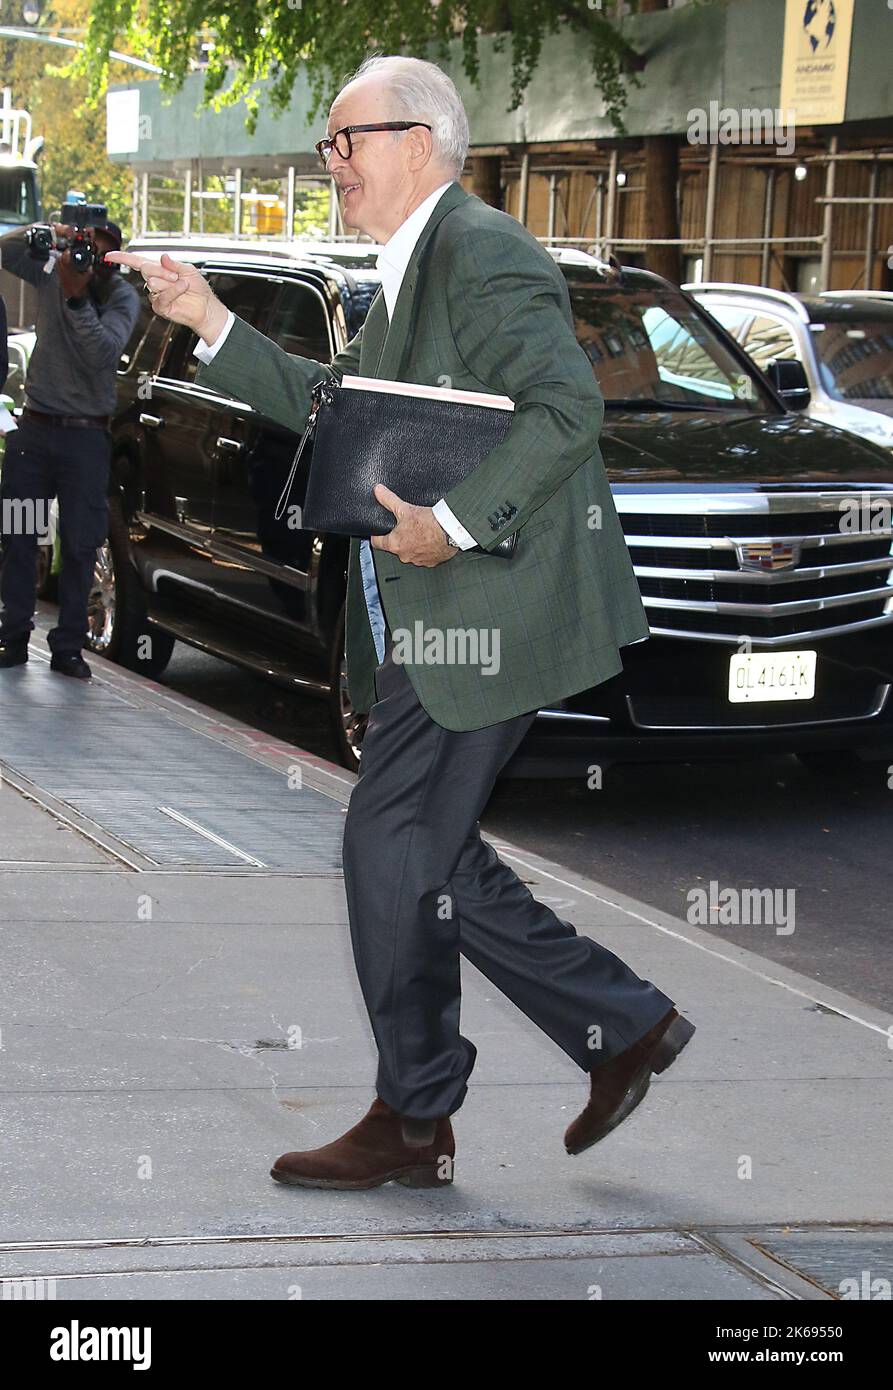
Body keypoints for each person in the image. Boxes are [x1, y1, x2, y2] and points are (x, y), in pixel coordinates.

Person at [110, 54, 696, 1191]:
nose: (331, 163)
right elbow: (341, 414)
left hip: (483, 610)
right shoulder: (411, 265)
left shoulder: (480, 252)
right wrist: (210, 317)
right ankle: (595, 1036)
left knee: (394, 845)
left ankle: (433, 1105)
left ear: (417, 142)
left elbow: (566, 408)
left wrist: (456, 523)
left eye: (347, 141)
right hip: (426, 624)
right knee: (422, 855)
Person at [0, 216, 140, 678]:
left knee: (80, 544)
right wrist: (42, 232)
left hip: (85, 438)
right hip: (36, 432)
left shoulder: (120, 296)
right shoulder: (50, 270)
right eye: (84, 246)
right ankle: (13, 635)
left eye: (98, 252)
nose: (88, 259)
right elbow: (5, 251)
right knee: (19, 535)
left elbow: (102, 354)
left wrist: (77, 295)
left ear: (113, 258)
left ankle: (68, 647)